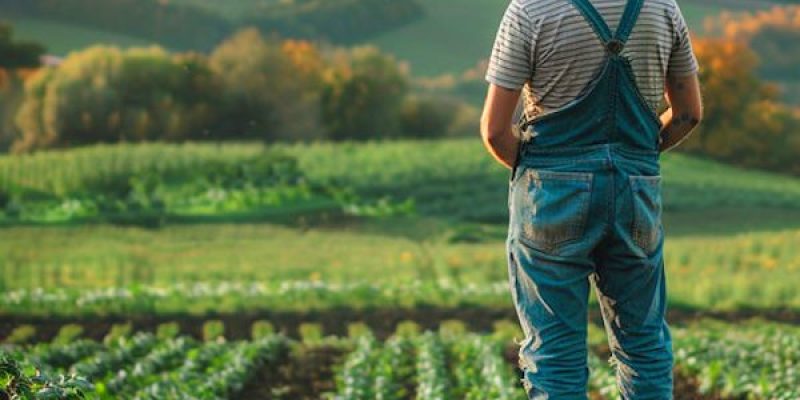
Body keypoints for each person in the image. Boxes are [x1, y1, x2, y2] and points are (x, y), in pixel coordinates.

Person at [479, 0, 703, 398]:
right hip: (636, 190)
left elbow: (496, 131)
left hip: (551, 194)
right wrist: (636, 157)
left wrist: (545, 171)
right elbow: (688, 113)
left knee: (554, 354)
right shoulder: (662, 8)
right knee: (644, 345)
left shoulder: (530, 10)